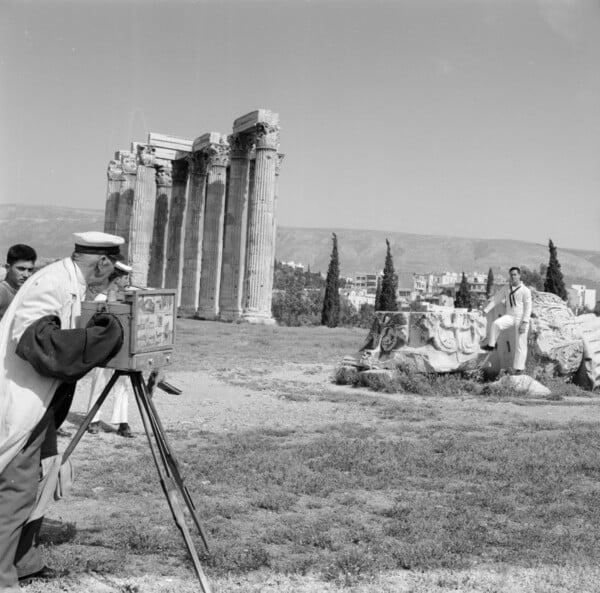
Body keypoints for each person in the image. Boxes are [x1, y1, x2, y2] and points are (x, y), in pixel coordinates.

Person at [0, 231, 125, 592]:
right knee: (17, 487)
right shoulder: (51, 283)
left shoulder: (71, 281)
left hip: (43, 401)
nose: (109, 277)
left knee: (43, 478)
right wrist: (106, 335)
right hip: (23, 400)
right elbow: (38, 343)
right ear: (102, 262)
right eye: (110, 270)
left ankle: (23, 562)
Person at [86, 261, 135, 438]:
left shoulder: (127, 296)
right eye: (125, 277)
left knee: (123, 384)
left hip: (122, 346)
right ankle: (93, 419)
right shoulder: (100, 298)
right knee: (99, 381)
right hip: (104, 347)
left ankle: (122, 421)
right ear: (117, 277)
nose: (127, 281)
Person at [481, 266, 532, 374]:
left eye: (515, 274)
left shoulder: (525, 290)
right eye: (511, 275)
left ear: (519, 275)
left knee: (520, 344)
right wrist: (485, 310)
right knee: (496, 324)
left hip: (521, 317)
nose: (513, 277)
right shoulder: (506, 288)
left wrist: (524, 322)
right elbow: (496, 299)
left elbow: (528, 308)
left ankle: (519, 368)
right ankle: (491, 345)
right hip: (510, 315)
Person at [0, 245, 37, 320]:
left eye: (30, 270)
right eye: (21, 269)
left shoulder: (27, 293)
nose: (26, 275)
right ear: (8, 267)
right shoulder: (2, 292)